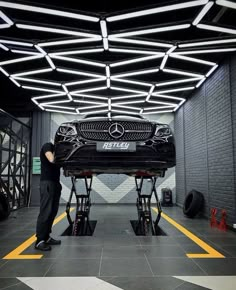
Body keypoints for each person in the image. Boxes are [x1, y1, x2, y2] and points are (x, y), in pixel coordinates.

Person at [35, 142, 62, 251]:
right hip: (47, 183)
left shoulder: (59, 152)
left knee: (53, 211)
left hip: (55, 183)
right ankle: (39, 240)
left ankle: (46, 237)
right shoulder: (47, 146)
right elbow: (51, 159)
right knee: (46, 211)